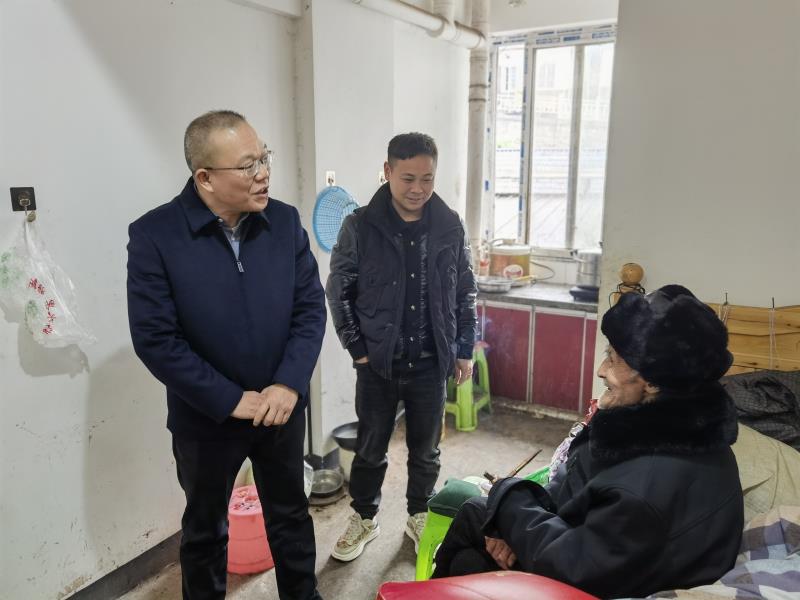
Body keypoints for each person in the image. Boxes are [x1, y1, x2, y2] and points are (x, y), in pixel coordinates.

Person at [432, 285, 744, 598]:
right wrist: (512, 516)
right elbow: (581, 493)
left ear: (652, 381)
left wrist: (509, 501)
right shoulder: (686, 434)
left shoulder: (645, 482)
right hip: (617, 561)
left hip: (600, 583)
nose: (601, 370)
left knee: (475, 525)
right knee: (473, 547)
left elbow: (575, 567)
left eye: (613, 359)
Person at [127, 110, 326, 600]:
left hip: (280, 409)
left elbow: (309, 309)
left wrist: (288, 384)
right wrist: (231, 399)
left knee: (291, 518)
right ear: (205, 178)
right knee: (205, 531)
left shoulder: (284, 222)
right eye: (248, 165)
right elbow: (156, 339)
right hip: (207, 417)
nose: (264, 173)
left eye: (264, 158)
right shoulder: (156, 236)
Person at [325, 132, 477, 561]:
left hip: (431, 361)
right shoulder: (360, 226)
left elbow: (465, 290)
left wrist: (464, 347)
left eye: (427, 178)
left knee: (426, 451)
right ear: (388, 171)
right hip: (378, 363)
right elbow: (339, 291)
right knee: (370, 449)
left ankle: (419, 513)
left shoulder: (449, 225)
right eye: (408, 178)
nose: (418, 189)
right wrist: (358, 349)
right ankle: (365, 518)